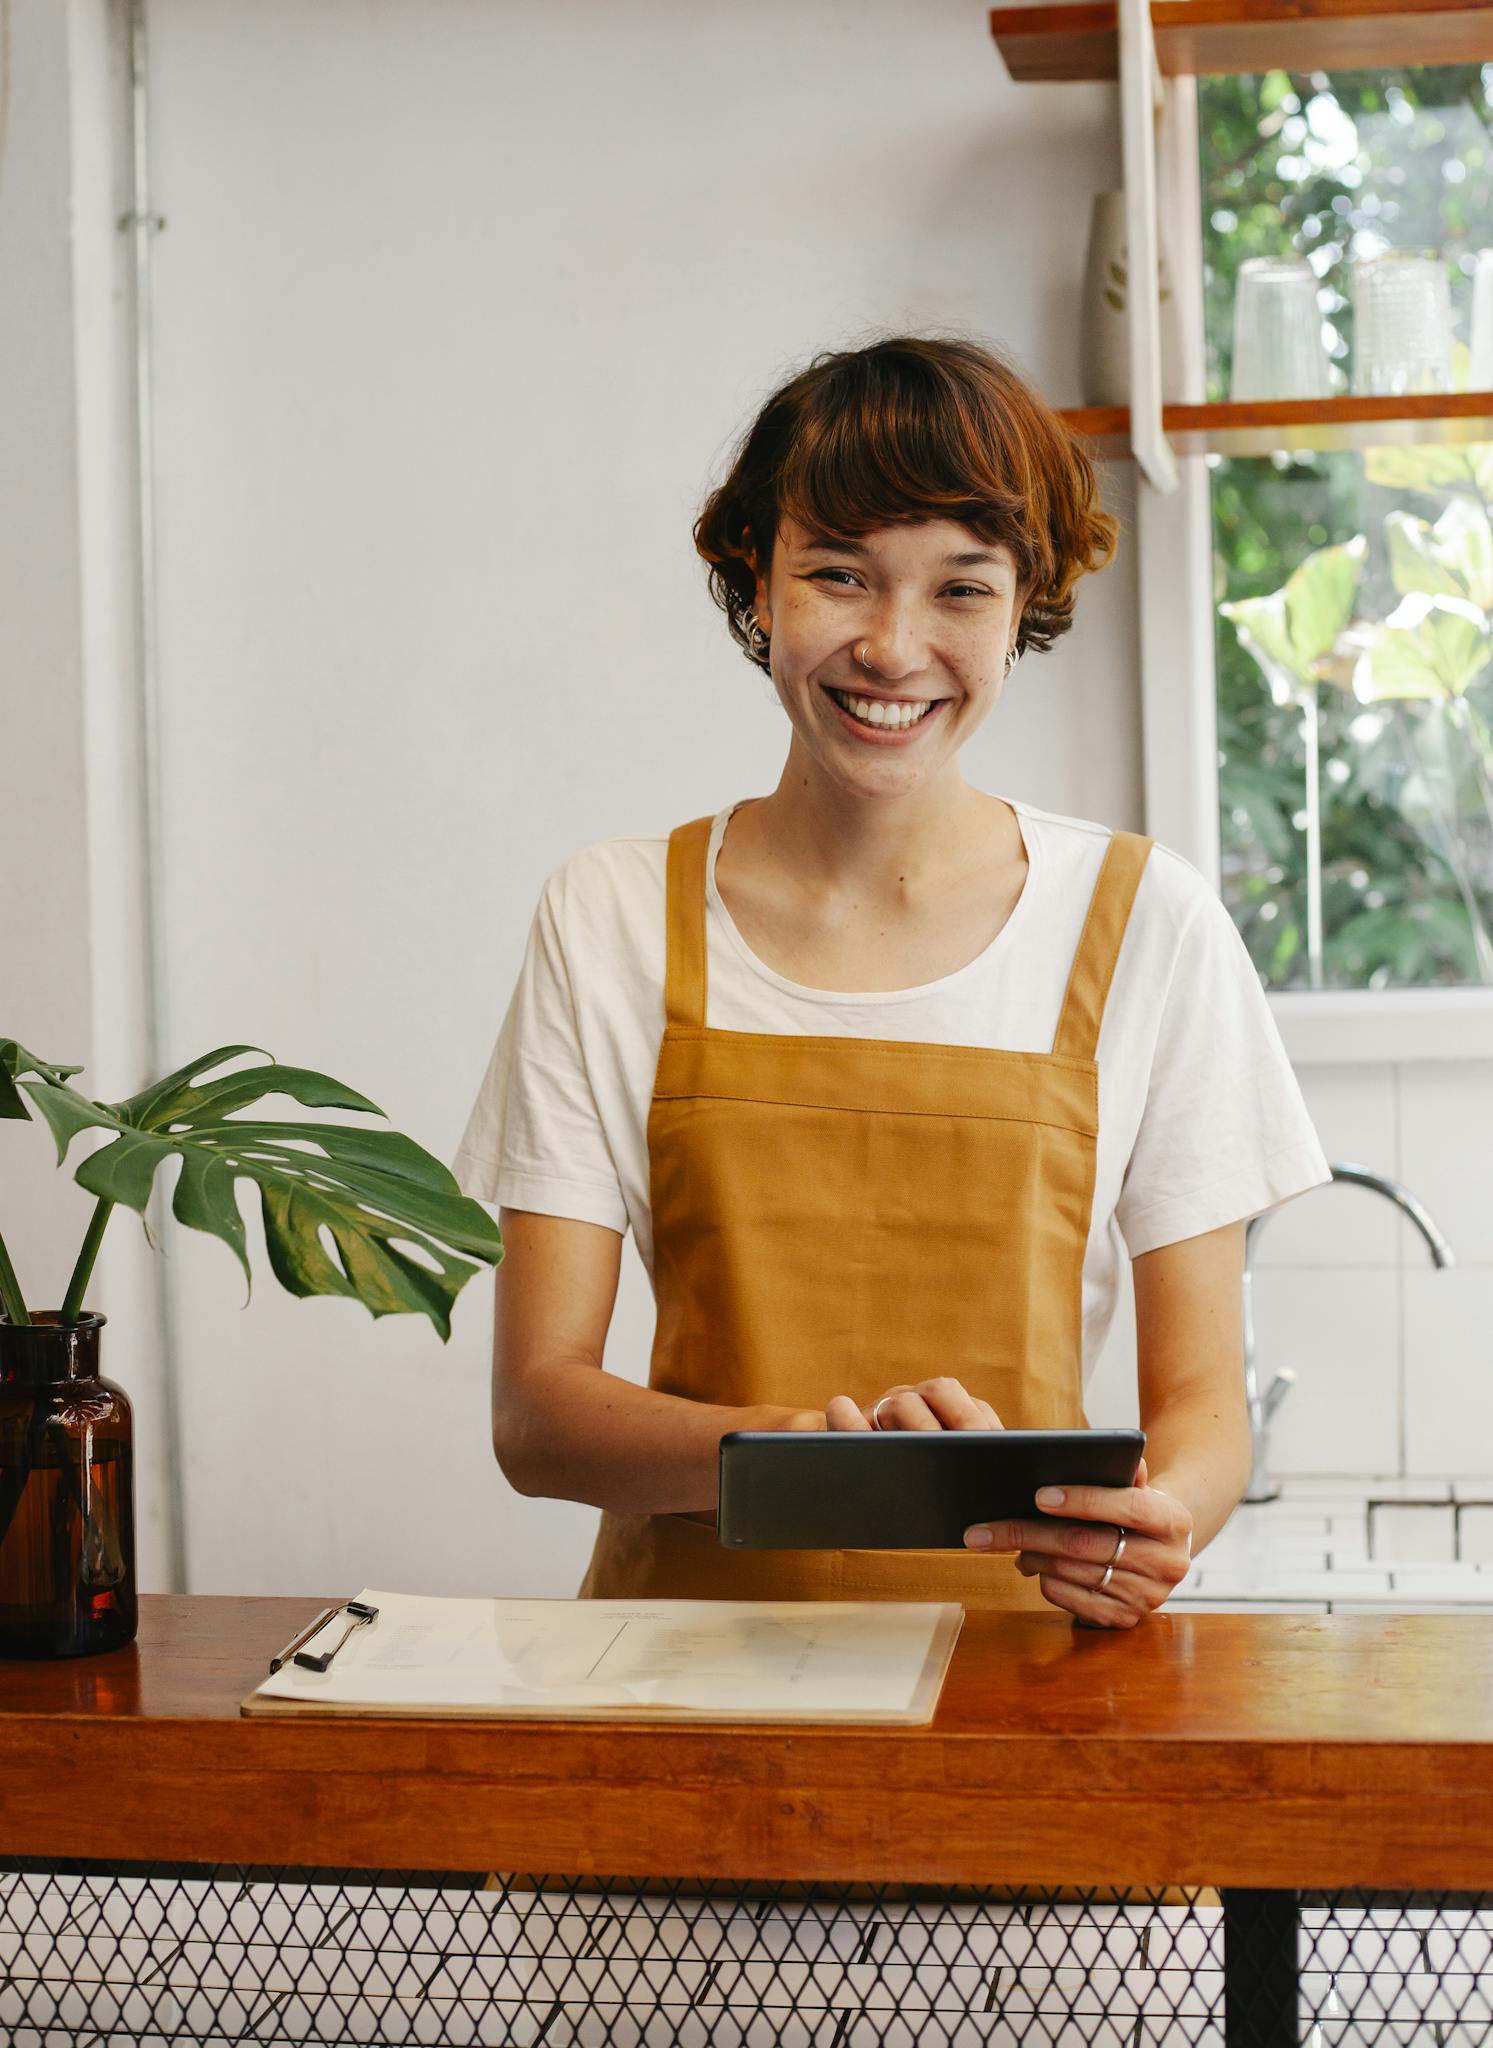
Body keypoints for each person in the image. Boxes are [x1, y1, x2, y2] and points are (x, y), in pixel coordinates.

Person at [453, 333, 1330, 1629]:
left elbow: (1200, 1410)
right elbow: (538, 1417)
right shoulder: (614, 914)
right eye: (837, 575)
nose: (891, 645)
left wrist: (1162, 1520)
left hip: (1016, 1691)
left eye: (959, 590)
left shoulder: (1146, 923)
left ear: (1025, 599)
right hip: (675, 1687)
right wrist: (819, 1457)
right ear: (756, 579)